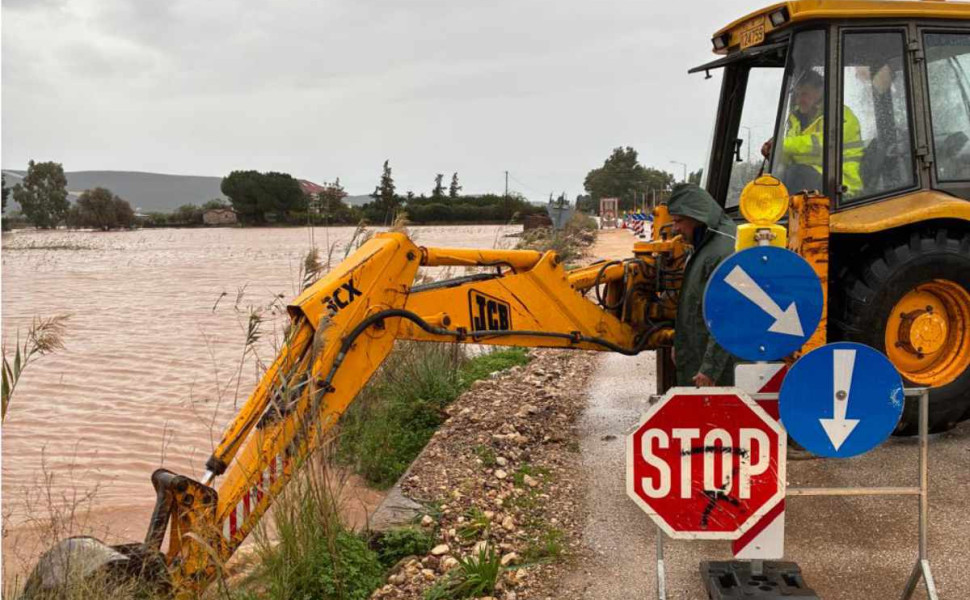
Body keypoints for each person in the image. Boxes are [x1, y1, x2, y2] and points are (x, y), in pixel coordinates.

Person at [667, 184, 737, 387]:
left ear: (697, 216)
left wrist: (709, 370)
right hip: (699, 358)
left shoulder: (721, 252)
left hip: (717, 373)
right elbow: (693, 304)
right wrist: (679, 345)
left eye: (679, 221)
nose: (675, 228)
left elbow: (726, 316)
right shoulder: (704, 247)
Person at [761, 70, 864, 196]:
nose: (799, 100)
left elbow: (822, 144)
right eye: (797, 95)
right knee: (772, 181)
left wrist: (782, 145)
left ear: (820, 91)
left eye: (804, 94)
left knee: (796, 173)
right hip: (811, 180)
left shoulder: (840, 115)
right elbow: (792, 156)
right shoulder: (796, 121)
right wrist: (775, 154)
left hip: (841, 184)